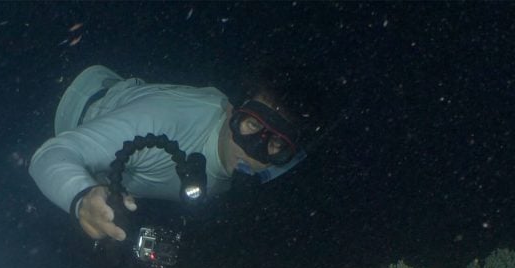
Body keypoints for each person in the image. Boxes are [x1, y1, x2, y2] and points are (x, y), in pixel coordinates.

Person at [29, 64, 317, 242]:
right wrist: (81, 198)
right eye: (251, 124)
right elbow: (51, 155)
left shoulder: (269, 170)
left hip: (113, 90)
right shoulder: (163, 123)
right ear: (231, 109)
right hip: (55, 103)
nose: (252, 152)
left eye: (276, 144)